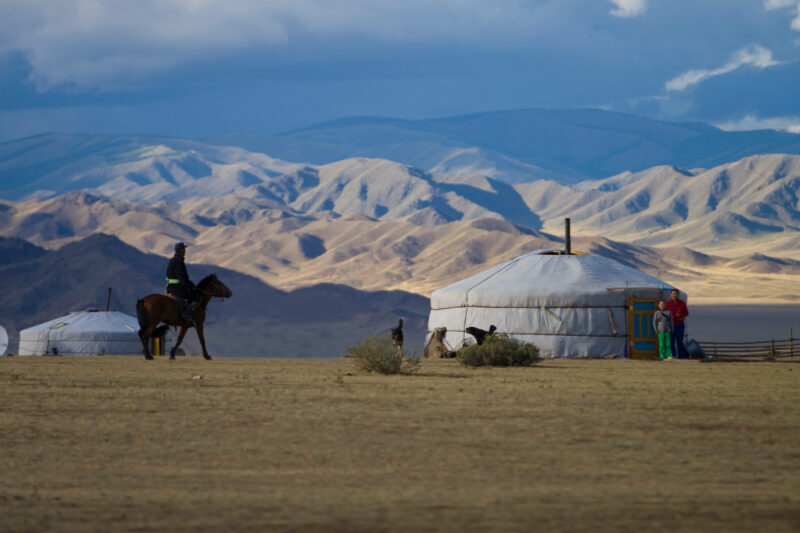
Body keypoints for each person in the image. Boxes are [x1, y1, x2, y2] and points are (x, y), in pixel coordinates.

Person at [166, 242, 198, 323]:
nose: (185, 251)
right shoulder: (179, 261)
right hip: (177, 288)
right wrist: (192, 286)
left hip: (170, 287)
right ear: (180, 250)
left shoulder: (172, 260)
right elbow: (182, 278)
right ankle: (186, 314)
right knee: (195, 297)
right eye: (184, 249)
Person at [666, 288, 689, 359]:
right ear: (670, 295)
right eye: (672, 294)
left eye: (675, 294)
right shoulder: (668, 304)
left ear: (678, 295)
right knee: (671, 341)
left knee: (679, 341)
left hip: (679, 324)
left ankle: (681, 356)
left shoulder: (682, 303)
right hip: (671, 325)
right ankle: (672, 355)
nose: (674, 295)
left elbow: (686, 312)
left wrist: (681, 315)